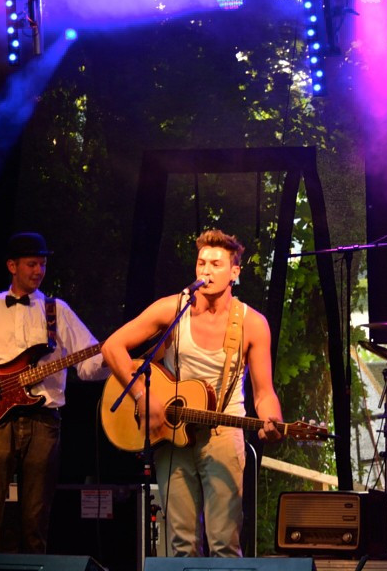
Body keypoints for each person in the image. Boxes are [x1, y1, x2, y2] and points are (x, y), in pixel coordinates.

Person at [101, 229, 283, 557]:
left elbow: (264, 391)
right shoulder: (173, 309)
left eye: (216, 264)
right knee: (180, 543)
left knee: (224, 542)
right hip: (170, 433)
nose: (206, 271)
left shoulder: (253, 324)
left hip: (224, 431)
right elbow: (113, 347)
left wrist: (272, 417)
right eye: (201, 263)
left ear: (234, 272)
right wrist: (144, 396)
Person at [0, 232, 109, 554]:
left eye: (43, 264)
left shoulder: (57, 310)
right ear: (12, 265)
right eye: (32, 264)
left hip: (43, 420)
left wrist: (114, 357)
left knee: (36, 514)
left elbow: (88, 364)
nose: (39, 270)